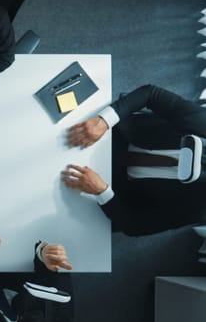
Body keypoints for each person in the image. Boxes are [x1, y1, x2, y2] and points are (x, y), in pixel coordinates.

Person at [63, 84, 206, 236]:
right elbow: (151, 94)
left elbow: (136, 226)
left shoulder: (199, 208)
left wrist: (102, 191)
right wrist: (103, 122)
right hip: (115, 136)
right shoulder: (202, 125)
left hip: (109, 188)